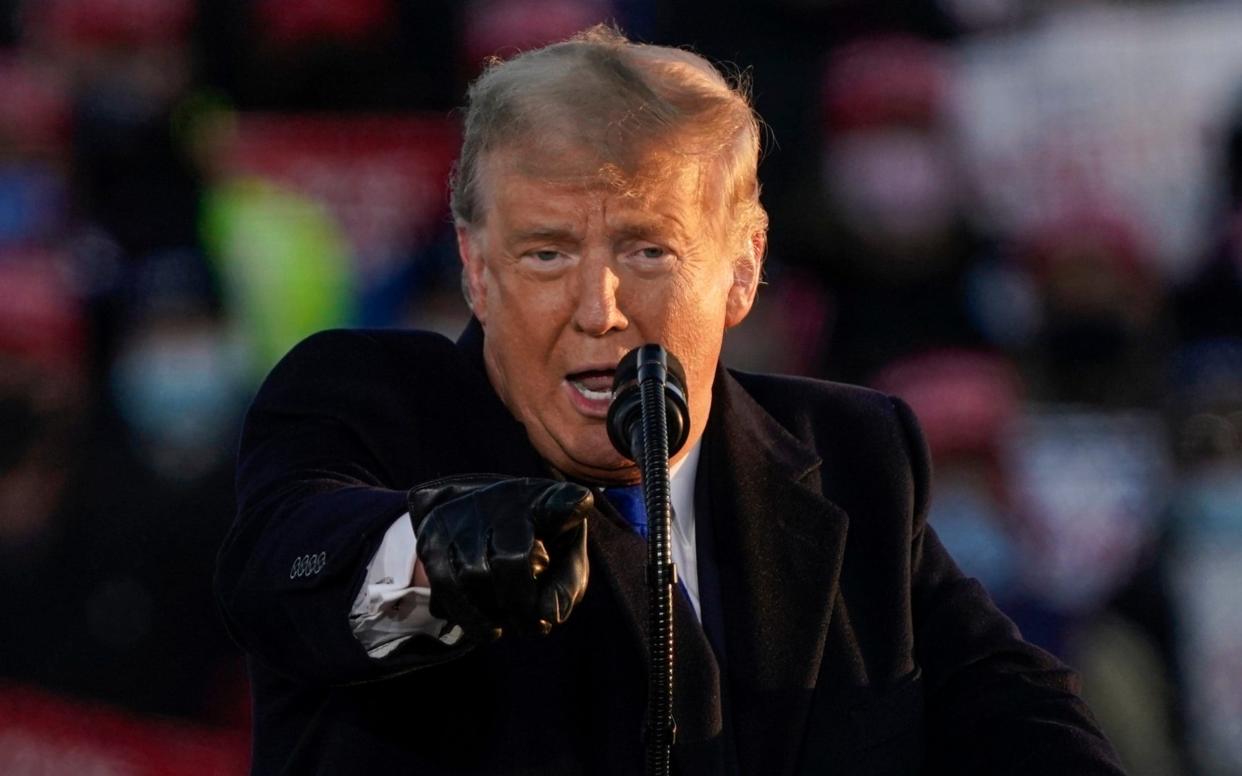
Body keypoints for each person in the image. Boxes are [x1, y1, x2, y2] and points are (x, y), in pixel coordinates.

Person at [214, 25, 1126, 775]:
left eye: (649, 251)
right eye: (547, 253)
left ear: (745, 267)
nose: (599, 309)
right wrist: (431, 553)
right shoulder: (367, 405)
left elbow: (1018, 718)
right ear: (475, 270)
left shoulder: (856, 457)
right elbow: (288, 565)